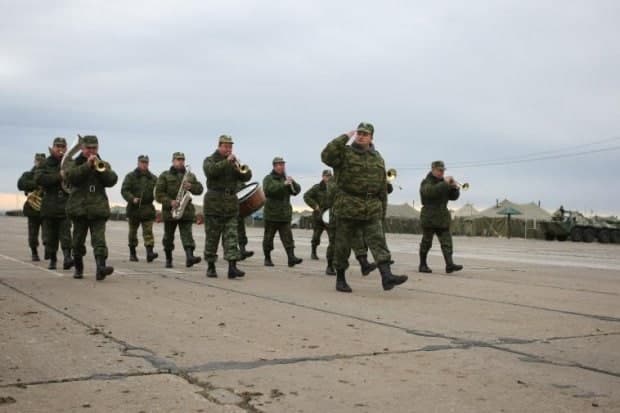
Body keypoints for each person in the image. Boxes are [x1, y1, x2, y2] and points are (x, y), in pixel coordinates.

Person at [321, 122, 407, 293]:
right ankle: (340, 278)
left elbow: (382, 187)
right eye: (359, 133)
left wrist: (382, 209)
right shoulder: (344, 153)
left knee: (379, 242)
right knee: (343, 245)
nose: (361, 136)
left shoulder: (377, 158)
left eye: (365, 134)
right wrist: (344, 137)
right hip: (348, 206)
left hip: (372, 207)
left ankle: (387, 276)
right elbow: (326, 156)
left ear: (371, 137)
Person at [65, 135, 118, 280]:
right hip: (79, 209)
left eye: (94, 148)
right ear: (82, 148)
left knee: (99, 241)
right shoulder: (73, 163)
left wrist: (100, 169)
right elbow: (70, 177)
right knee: (77, 242)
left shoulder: (103, 164)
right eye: (88, 148)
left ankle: (101, 268)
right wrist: (87, 166)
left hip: (98, 209)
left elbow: (112, 180)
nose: (91, 151)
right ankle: (78, 267)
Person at [203, 135, 252, 279]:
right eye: (225, 146)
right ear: (219, 146)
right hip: (214, 204)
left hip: (230, 204)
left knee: (231, 237)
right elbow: (211, 172)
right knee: (212, 238)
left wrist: (240, 167)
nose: (228, 149)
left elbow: (247, 176)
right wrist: (226, 162)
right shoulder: (210, 160)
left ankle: (232, 267)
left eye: (230, 146)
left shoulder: (233, 163)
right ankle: (211, 267)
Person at [155, 152, 203, 269]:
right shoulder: (165, 175)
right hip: (170, 211)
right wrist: (170, 201)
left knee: (187, 235)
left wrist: (191, 187)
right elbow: (158, 194)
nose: (180, 162)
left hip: (186, 211)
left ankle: (190, 257)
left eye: (182, 160)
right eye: (178, 160)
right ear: (173, 161)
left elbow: (200, 189)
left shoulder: (189, 176)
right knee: (168, 237)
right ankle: (168, 259)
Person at [35, 138, 75, 271]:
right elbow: (40, 179)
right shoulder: (46, 163)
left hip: (65, 203)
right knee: (50, 236)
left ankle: (67, 258)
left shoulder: (70, 162)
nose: (60, 149)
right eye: (58, 146)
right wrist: (59, 176)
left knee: (66, 234)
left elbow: (76, 178)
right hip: (50, 203)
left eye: (63, 146)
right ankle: (52, 259)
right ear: (52, 147)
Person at [418, 160, 463, 274]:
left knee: (447, 242)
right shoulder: (426, 182)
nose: (441, 173)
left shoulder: (443, 182)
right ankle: (422, 264)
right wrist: (445, 183)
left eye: (442, 171)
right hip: (429, 216)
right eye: (439, 170)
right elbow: (431, 192)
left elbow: (453, 197)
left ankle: (449, 264)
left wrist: (455, 188)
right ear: (433, 169)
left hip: (442, 216)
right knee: (427, 242)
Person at [262, 157, 303, 267]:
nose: (281, 166)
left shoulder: (285, 178)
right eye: (279, 165)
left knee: (288, 238)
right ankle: (267, 258)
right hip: (272, 215)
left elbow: (297, 191)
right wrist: (283, 185)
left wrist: (292, 182)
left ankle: (291, 258)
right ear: (274, 166)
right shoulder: (268, 178)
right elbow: (268, 190)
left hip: (284, 215)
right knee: (268, 238)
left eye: (282, 165)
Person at [121, 155, 159, 263]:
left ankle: (149, 253)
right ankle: (132, 253)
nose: (144, 164)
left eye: (146, 162)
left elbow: (158, 190)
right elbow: (124, 190)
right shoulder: (130, 176)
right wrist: (132, 198)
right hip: (134, 209)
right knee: (132, 233)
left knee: (148, 232)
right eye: (142, 162)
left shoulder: (153, 178)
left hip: (147, 208)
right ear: (138, 163)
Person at [18, 152, 47, 262]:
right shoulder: (28, 174)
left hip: (46, 208)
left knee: (47, 236)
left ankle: (49, 251)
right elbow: (21, 184)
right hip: (33, 209)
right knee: (33, 235)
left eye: (42, 161)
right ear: (35, 161)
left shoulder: (47, 173)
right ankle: (34, 252)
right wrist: (36, 184)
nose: (39, 163)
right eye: (38, 161)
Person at [303, 170, 332, 260]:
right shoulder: (317, 188)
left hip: (330, 216)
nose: (328, 178)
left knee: (333, 237)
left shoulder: (334, 187)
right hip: (318, 216)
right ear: (323, 177)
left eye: (330, 176)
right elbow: (306, 196)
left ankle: (332, 255)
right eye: (326, 176)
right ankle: (313, 252)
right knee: (316, 236)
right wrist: (315, 205)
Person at [237, 181, 254, 260]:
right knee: (229, 233)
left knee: (241, 232)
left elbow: (245, 190)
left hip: (239, 210)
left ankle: (242, 250)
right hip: (227, 209)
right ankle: (231, 252)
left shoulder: (239, 180)